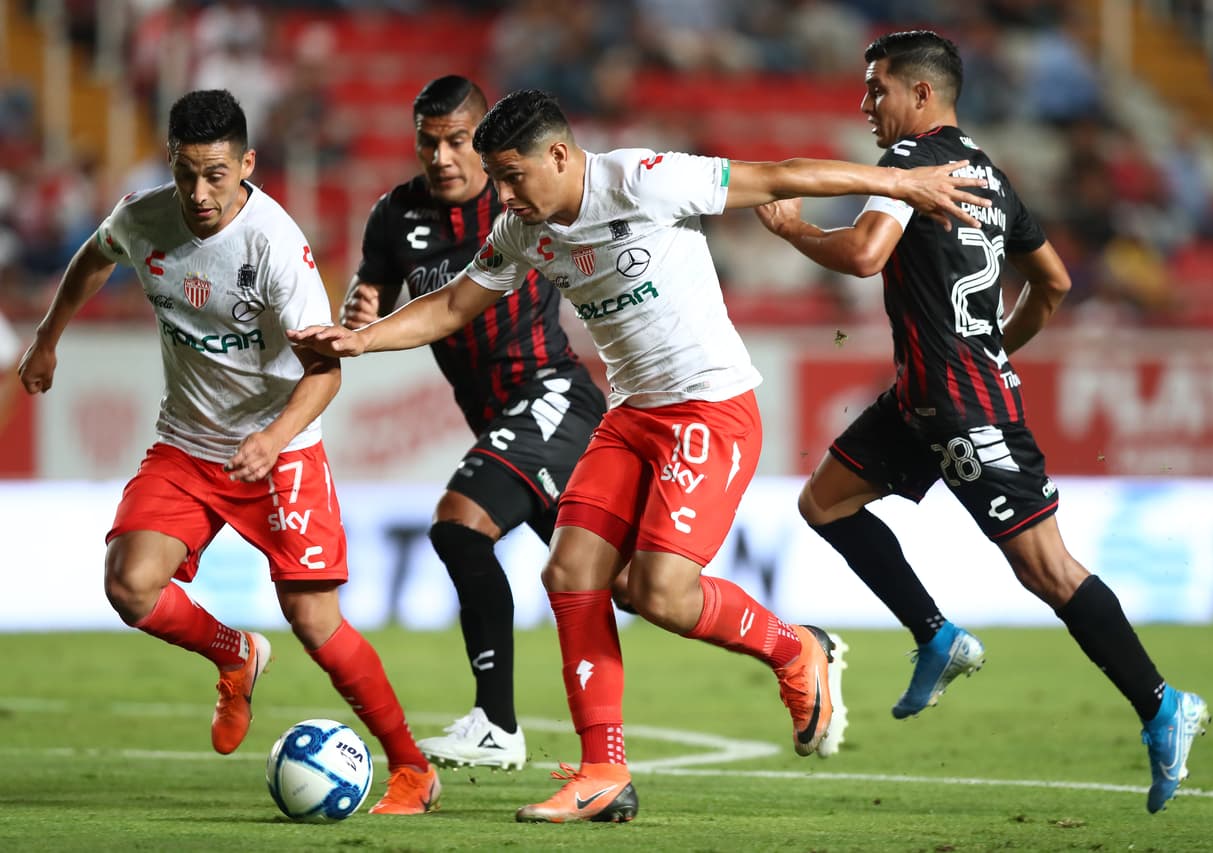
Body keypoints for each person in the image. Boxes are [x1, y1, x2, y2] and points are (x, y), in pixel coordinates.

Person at [289, 87, 991, 824]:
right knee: (570, 571)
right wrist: (363, 338)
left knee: (658, 592)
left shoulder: (642, 178)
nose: (503, 193)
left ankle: (795, 650)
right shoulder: (522, 227)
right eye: (496, 178)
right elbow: (455, 304)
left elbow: (778, 174)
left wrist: (898, 182)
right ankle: (603, 771)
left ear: (559, 156)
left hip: (710, 408)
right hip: (630, 417)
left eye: (512, 175)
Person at [753, 30, 1209, 815]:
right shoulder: (990, 174)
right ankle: (936, 634)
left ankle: (1165, 703)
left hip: (963, 404)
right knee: (822, 501)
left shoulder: (908, 164)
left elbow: (866, 255)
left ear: (921, 95)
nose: (866, 104)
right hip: (924, 397)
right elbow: (1054, 281)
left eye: (878, 89)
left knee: (1046, 570)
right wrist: (998, 343)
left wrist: (794, 229)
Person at [17, 89, 441, 816]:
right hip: (186, 444)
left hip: (281, 450)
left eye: (216, 173)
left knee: (314, 622)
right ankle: (234, 653)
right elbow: (95, 255)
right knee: (129, 585)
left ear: (246, 163)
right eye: (186, 173)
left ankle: (411, 767)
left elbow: (326, 370)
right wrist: (48, 336)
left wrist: (272, 438)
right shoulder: (143, 217)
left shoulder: (275, 248)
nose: (200, 192)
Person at [342, 75, 607, 772]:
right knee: (638, 585)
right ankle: (790, 646)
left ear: (482, 138)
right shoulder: (395, 217)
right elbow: (374, 292)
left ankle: (496, 722)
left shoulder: (519, 197)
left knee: (459, 525)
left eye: (457, 140)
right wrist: (361, 311)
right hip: (497, 419)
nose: (442, 156)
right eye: (428, 142)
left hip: (552, 395)